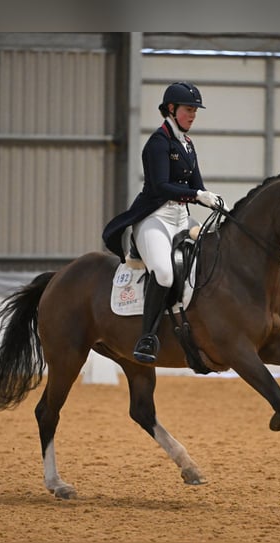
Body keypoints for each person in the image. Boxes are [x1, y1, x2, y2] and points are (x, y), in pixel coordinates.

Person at [102, 81, 223, 363]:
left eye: (195, 110)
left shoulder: (188, 144)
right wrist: (197, 194)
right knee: (165, 273)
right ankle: (147, 337)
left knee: (214, 253)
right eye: (188, 109)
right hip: (154, 219)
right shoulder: (158, 143)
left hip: (181, 218)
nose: (193, 115)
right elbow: (160, 186)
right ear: (172, 109)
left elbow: (197, 185)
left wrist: (213, 200)